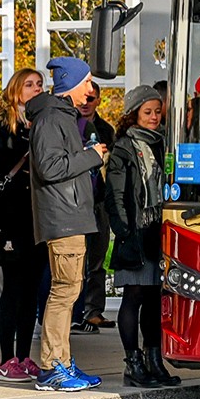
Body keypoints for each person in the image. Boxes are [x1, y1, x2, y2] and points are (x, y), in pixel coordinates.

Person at [26, 56, 108, 391]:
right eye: (87, 82)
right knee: (63, 294)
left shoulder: (60, 116)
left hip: (70, 216)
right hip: (63, 218)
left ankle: (62, 362)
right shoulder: (50, 118)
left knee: (69, 292)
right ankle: (52, 367)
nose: (91, 90)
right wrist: (93, 156)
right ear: (71, 84)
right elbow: (50, 167)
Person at [106, 86, 180, 387]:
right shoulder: (124, 147)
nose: (153, 117)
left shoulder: (163, 144)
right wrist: (124, 230)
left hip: (155, 231)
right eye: (147, 112)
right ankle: (132, 363)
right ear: (134, 113)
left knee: (153, 298)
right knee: (133, 296)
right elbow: (115, 194)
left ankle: (154, 360)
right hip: (135, 231)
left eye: (157, 112)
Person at [0, 67, 48, 384]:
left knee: (32, 291)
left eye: (40, 85)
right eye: (29, 84)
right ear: (15, 89)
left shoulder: (40, 125)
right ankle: (7, 359)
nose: (36, 89)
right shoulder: (1, 127)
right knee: (13, 291)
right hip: (9, 219)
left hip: (35, 219)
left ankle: (24, 356)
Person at [71, 81, 116, 335]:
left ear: (98, 100)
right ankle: (76, 313)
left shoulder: (106, 130)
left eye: (92, 99)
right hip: (77, 203)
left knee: (97, 258)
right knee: (76, 260)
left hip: (99, 202)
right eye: (84, 98)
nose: (87, 103)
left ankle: (94, 310)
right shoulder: (70, 127)